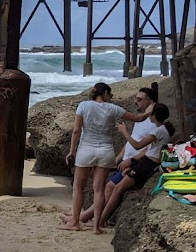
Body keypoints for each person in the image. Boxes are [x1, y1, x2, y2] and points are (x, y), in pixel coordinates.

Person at [61, 102, 172, 229]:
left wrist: (124, 132)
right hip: (144, 162)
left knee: (117, 189)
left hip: (148, 164)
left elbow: (137, 145)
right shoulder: (160, 130)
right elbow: (146, 149)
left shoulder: (158, 131)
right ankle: (94, 221)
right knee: (107, 188)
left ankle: (99, 220)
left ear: (154, 115)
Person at [59, 82, 151, 234]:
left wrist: (72, 151)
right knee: (99, 190)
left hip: (86, 149)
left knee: (78, 187)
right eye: (110, 94)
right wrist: (149, 111)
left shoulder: (84, 105)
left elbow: (76, 130)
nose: (112, 97)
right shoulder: (113, 109)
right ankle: (96, 227)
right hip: (106, 151)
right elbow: (137, 118)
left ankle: (75, 222)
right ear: (105, 93)